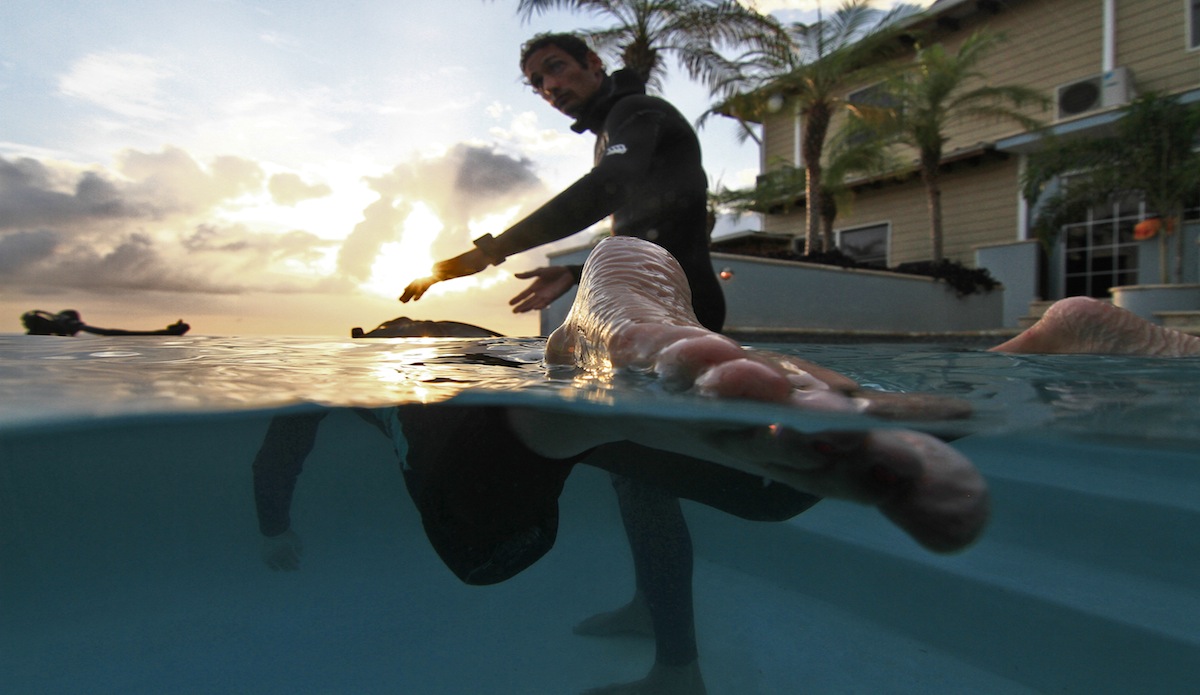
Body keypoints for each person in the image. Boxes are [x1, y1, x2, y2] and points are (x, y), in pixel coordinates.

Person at [257, 236, 989, 695]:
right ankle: (1004, 364)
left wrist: (272, 523)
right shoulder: (461, 329)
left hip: (454, 381)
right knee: (751, 482)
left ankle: (557, 415)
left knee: (483, 547)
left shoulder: (360, 354)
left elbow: (283, 443)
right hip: (509, 355)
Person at [398, 32, 727, 692]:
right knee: (639, 482)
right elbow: (669, 220)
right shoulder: (621, 128)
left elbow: (612, 187)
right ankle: (651, 611)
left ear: (594, 65)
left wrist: (482, 253)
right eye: (538, 83)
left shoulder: (642, 116)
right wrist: (578, 272)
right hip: (656, 310)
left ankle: (679, 670)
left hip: (671, 319)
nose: (550, 88)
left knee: (647, 472)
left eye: (556, 69)